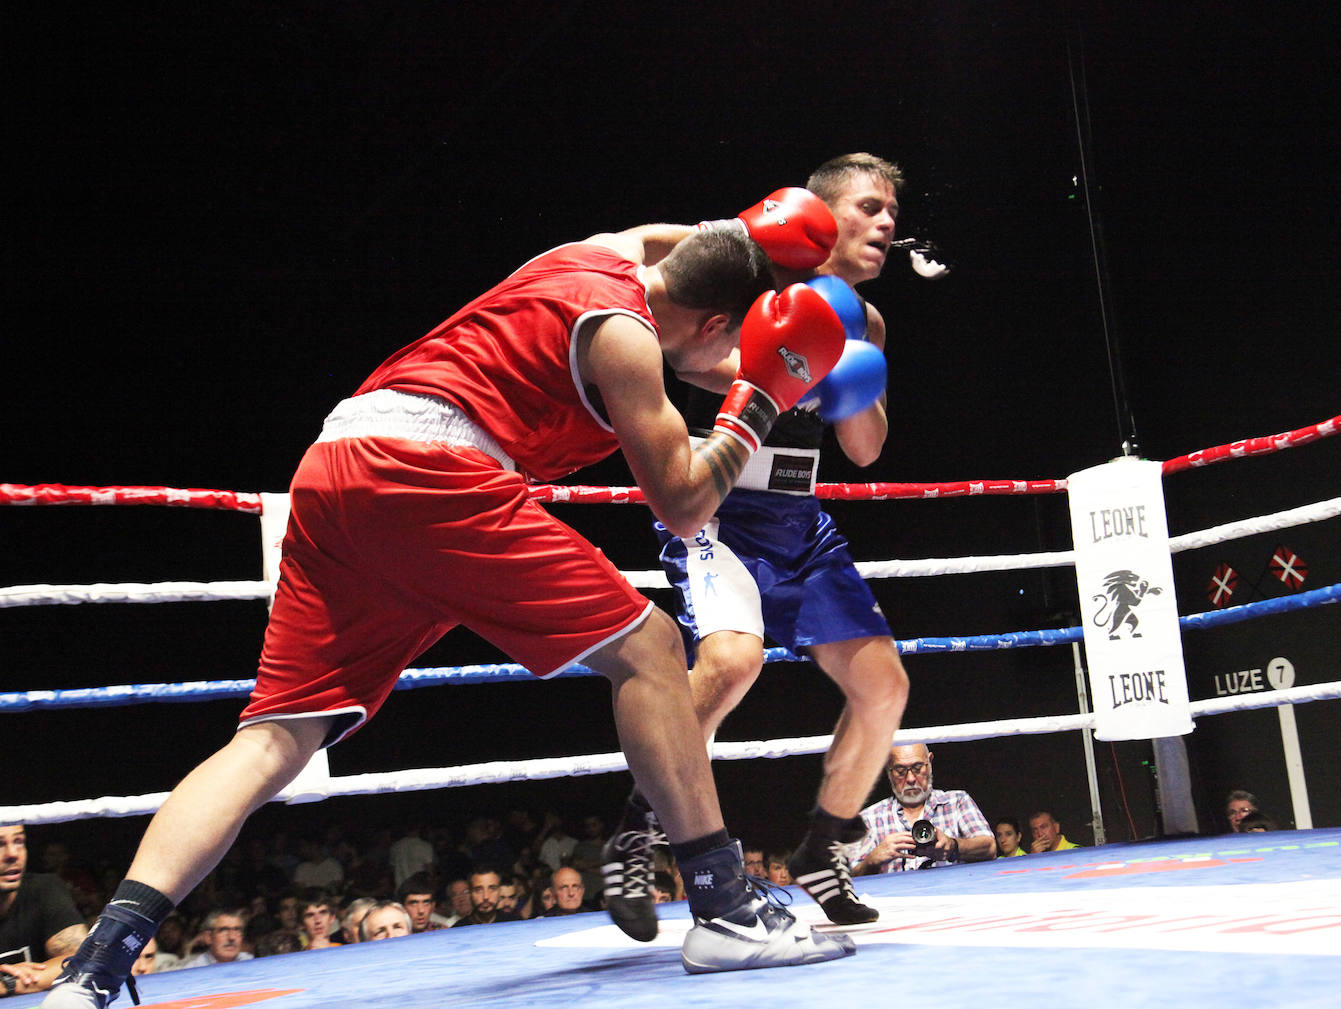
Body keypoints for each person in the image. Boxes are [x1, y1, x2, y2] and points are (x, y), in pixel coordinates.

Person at [44, 193, 857, 1007]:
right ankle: (723, 905)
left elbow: (672, 241)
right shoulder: (626, 341)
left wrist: (762, 249)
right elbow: (682, 503)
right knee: (647, 645)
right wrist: (757, 398)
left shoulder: (594, 250)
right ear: (717, 323)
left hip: (336, 462)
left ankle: (96, 965)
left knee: (274, 737)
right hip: (430, 475)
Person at [605, 153, 911, 934]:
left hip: (801, 521)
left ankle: (818, 846)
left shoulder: (866, 321)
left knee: (884, 686)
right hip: (724, 510)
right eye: (871, 208)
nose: (885, 226)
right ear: (823, 211)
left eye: (892, 217)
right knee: (732, 662)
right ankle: (638, 829)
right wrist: (790, 358)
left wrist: (856, 376)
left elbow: (866, 448)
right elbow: (687, 356)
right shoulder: (754, 280)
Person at [850, 744, 996, 874]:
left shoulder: (956, 802)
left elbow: (990, 848)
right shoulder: (869, 818)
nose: (911, 778)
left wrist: (953, 846)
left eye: (918, 768)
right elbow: (846, 878)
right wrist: (872, 860)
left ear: (930, 762)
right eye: (900, 770)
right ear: (888, 770)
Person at [1, 825, 87, 998]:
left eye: (19, 841)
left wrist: (8, 983)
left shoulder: (43, 890)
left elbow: (83, 962)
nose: (12, 854)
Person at [173, 910, 252, 970]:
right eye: (223, 930)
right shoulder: (193, 970)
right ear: (208, 937)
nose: (232, 937)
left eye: (237, 930)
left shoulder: (251, 963)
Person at [455, 868, 520, 926]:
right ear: (470, 893)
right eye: (478, 890)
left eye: (492, 889)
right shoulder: (457, 930)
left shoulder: (515, 924)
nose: (486, 897)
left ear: (499, 891)